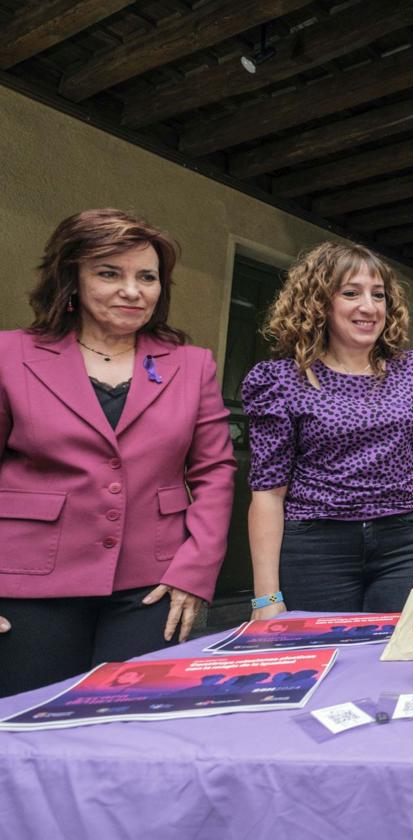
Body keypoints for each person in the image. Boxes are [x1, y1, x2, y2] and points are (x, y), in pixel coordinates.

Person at [0, 209, 235, 697]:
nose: (133, 290)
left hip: (153, 586)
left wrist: (195, 572)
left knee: (131, 727)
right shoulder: (10, 355)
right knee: (29, 733)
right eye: (110, 273)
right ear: (72, 279)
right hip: (28, 584)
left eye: (146, 277)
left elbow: (215, 472)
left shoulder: (192, 365)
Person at [242, 242, 413, 619]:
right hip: (315, 546)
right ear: (319, 302)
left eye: (378, 295)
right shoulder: (281, 380)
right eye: (351, 293)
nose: (368, 307)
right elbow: (268, 493)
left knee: (400, 660)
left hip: (403, 542)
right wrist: (266, 598)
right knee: (323, 660)